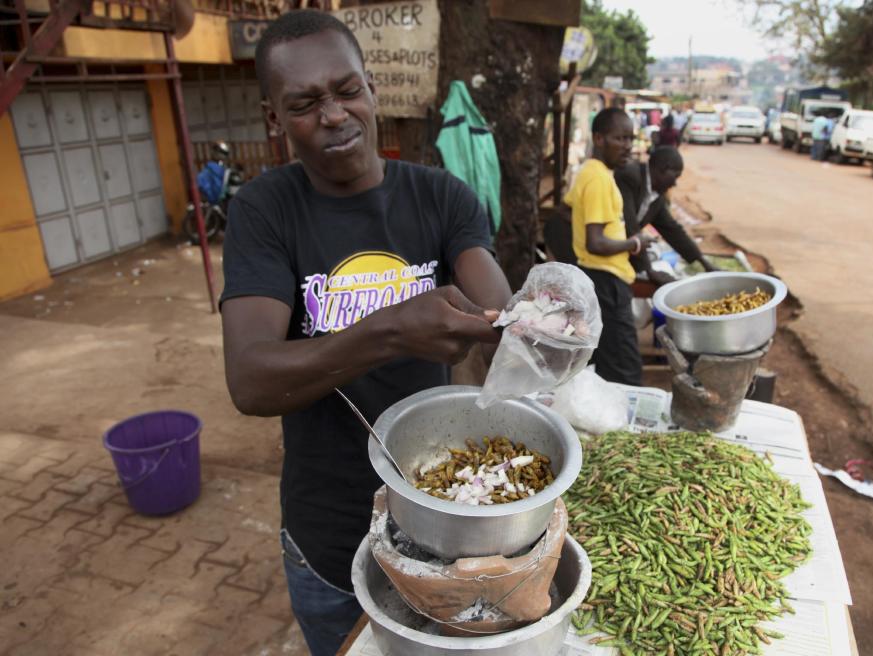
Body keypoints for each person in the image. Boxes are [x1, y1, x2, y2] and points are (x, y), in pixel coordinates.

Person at [219, 11, 512, 656]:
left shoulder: (442, 197)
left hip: (446, 524)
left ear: (371, 90)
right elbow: (251, 378)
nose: (333, 114)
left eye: (347, 90)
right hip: (329, 536)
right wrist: (388, 331)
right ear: (275, 119)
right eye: (305, 103)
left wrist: (532, 324)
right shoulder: (264, 211)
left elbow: (501, 313)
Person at [564, 107, 645, 386]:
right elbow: (595, 242)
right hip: (606, 281)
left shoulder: (591, 171)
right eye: (619, 138)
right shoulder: (598, 178)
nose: (627, 146)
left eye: (630, 139)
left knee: (609, 363)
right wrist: (635, 243)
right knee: (625, 370)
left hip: (599, 280)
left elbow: (569, 210)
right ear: (598, 138)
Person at [615, 147, 717, 286]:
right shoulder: (630, 177)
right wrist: (649, 270)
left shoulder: (657, 197)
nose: (674, 183)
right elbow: (629, 225)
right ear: (664, 168)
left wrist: (703, 262)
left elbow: (672, 230)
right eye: (675, 176)